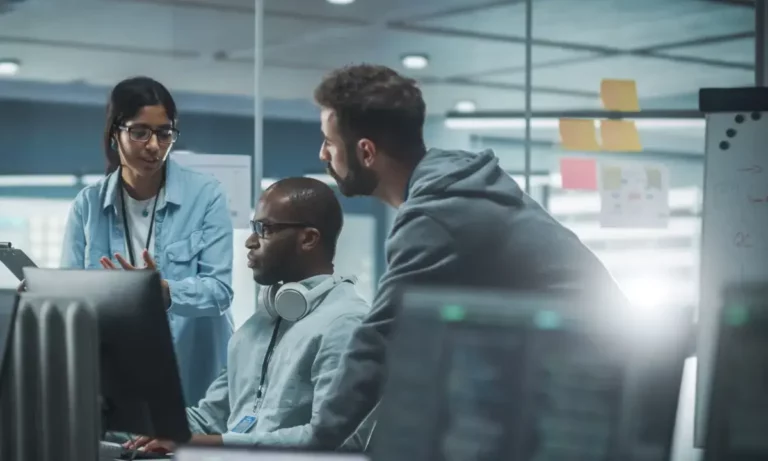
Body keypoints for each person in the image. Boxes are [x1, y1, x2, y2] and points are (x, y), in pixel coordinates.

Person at [309, 64, 628, 448]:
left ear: (366, 151)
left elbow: (378, 344)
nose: (322, 152)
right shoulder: (454, 186)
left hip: (585, 402)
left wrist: (315, 447)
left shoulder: (439, 213)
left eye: (329, 141)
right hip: (578, 388)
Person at [125, 177, 373, 453]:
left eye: (264, 229)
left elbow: (337, 440)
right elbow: (209, 420)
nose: (250, 241)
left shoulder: (347, 323)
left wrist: (205, 442)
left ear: (309, 238)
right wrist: (142, 424)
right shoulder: (258, 325)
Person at [60, 76, 234, 405]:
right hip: (118, 376)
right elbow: (73, 294)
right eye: (140, 132)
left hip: (195, 379)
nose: (154, 146)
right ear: (115, 133)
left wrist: (165, 292)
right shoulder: (88, 205)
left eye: (165, 133)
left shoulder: (205, 194)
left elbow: (220, 293)